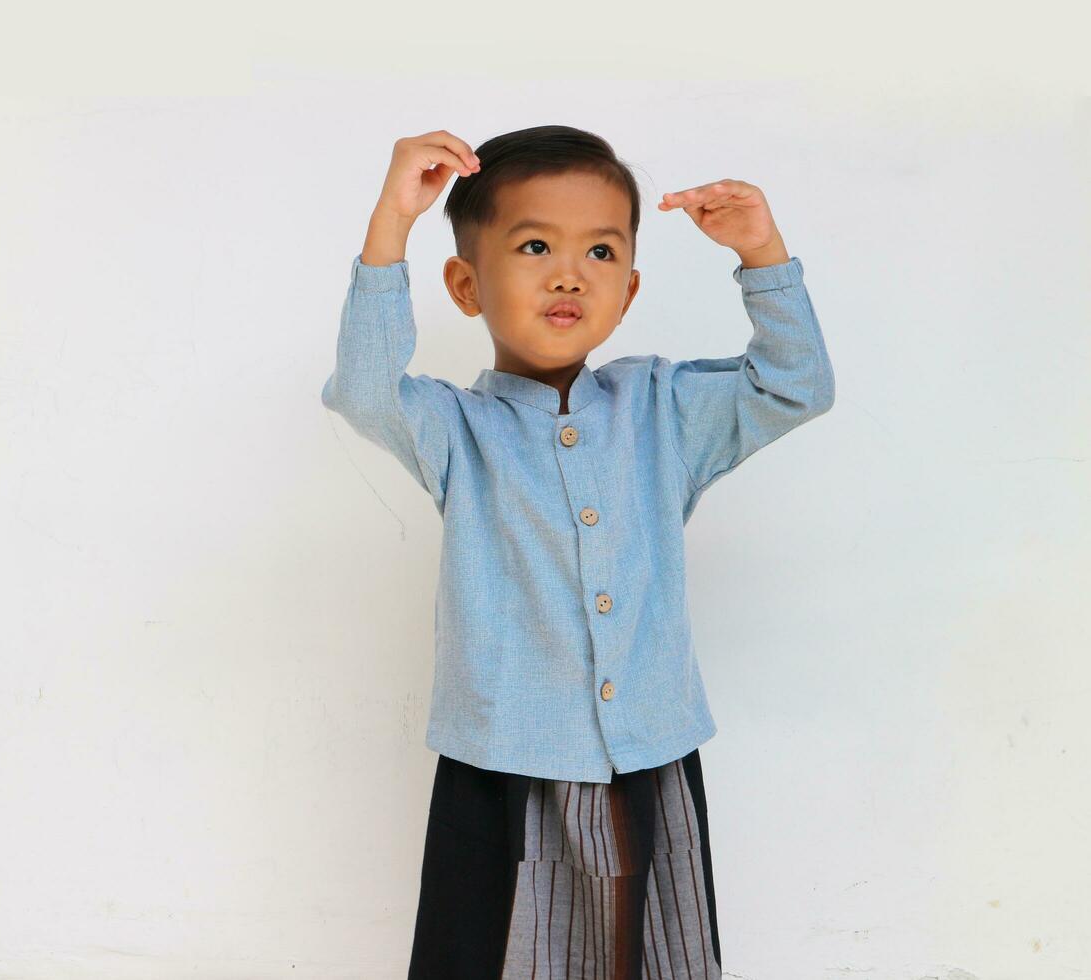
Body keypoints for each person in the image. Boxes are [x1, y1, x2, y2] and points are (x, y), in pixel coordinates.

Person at [321, 125, 835, 978]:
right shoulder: (456, 430)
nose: (569, 274)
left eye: (601, 251)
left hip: (646, 761)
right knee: (487, 958)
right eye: (533, 246)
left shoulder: (663, 409)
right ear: (466, 284)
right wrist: (392, 224)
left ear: (628, 289)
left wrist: (763, 257)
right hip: (501, 765)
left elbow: (795, 386)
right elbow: (365, 390)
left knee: (647, 957)